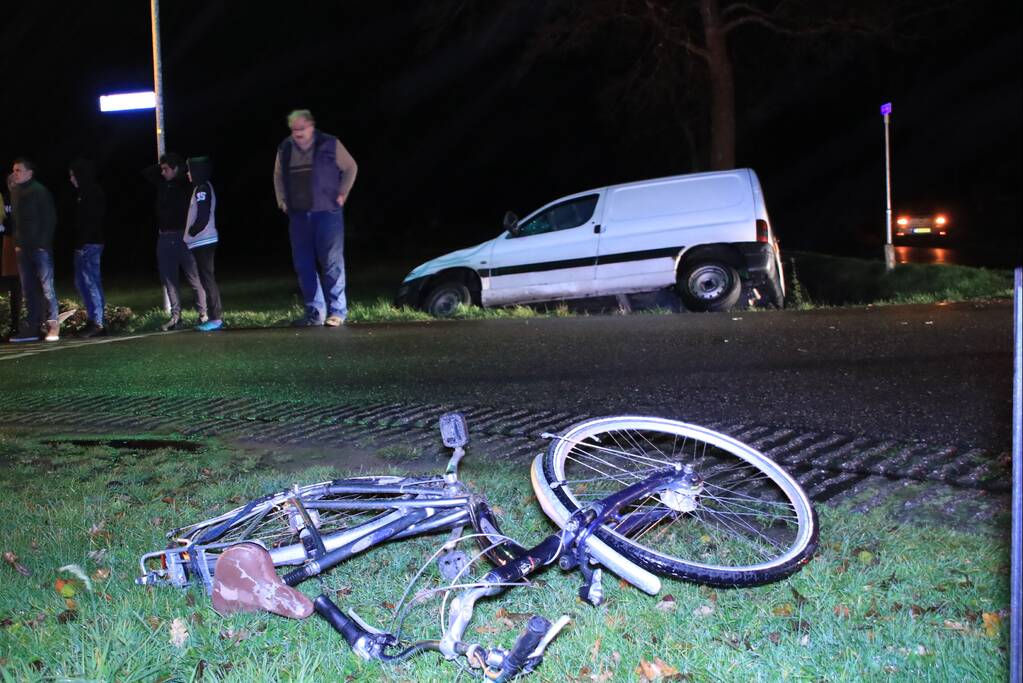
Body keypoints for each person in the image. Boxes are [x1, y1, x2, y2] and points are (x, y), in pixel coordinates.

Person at [273, 109, 357, 327]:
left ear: (311, 126)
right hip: (298, 215)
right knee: (303, 265)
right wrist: (282, 200)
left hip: (327, 212)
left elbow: (350, 167)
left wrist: (343, 193)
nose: (298, 133)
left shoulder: (329, 143)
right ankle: (315, 313)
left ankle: (337, 311)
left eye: (302, 128)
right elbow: (278, 175)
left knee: (331, 262)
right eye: (294, 129)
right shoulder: (285, 147)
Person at [142, 153, 207, 330]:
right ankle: (176, 317)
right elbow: (147, 173)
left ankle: (203, 314)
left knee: (193, 277)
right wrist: (163, 164)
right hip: (164, 237)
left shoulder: (185, 184)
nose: (162, 172)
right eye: (161, 169)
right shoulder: (162, 183)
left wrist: (177, 168)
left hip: (183, 237)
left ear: (176, 168)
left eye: (166, 169)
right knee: (169, 279)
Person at [9, 158, 60, 342]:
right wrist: (17, 243)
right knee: (28, 288)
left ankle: (53, 325)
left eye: (19, 170)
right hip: (22, 248)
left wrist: (42, 243)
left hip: (39, 248)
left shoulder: (40, 191)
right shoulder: (16, 192)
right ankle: (32, 327)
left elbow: (49, 218)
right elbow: (16, 220)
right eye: (14, 170)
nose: (15, 173)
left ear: (29, 173)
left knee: (46, 287)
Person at [183, 156, 223, 332]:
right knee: (206, 279)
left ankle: (216, 318)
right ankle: (215, 317)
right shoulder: (201, 188)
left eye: (190, 170)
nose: (188, 174)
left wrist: (192, 231)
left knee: (207, 280)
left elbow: (203, 216)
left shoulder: (202, 189)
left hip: (203, 241)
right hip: (202, 241)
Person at [69, 158, 106, 337]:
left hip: (90, 244)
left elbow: (92, 221)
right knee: (81, 282)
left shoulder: (92, 192)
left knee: (91, 282)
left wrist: (83, 242)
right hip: (83, 244)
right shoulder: (82, 193)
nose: (71, 179)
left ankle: (98, 322)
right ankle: (93, 319)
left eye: (73, 175)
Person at [1, 173, 22, 339]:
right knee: (14, 285)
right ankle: (15, 325)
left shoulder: (28, 198)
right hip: (9, 243)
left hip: (27, 243)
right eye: (11, 182)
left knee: (31, 285)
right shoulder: (4, 199)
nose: (13, 185)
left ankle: (39, 323)